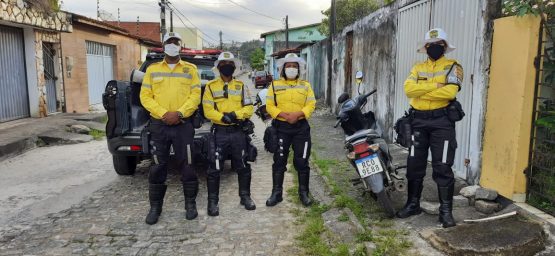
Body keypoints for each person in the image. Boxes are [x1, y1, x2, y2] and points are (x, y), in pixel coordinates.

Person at [396, 28, 463, 228]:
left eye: (439, 44)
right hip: (418, 122)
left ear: (444, 46)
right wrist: (436, 87)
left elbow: (450, 92)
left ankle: (445, 212)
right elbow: (408, 90)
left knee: (442, 166)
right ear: (425, 47)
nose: (434, 47)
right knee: (415, 164)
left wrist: (422, 91)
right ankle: (413, 204)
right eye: (431, 45)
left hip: (442, 122)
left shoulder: (453, 66)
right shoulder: (417, 67)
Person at [140, 32, 201, 224]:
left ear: (180, 46)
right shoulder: (152, 69)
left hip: (183, 125)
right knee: (158, 165)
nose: (172, 45)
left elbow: (195, 95)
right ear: (163, 45)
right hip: (160, 125)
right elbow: (145, 96)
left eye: (176, 42)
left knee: (188, 164)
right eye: (169, 42)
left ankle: (190, 205)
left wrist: (180, 113)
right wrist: (163, 113)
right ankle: (155, 208)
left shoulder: (190, 69)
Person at [202, 52, 256, 216]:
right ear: (218, 67)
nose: (227, 66)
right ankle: (213, 202)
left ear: (234, 66)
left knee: (243, 165)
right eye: (224, 63)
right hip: (219, 133)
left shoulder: (241, 86)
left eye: (230, 63)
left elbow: (248, 107)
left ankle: (245, 197)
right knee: (215, 167)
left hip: (238, 132)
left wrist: (235, 115)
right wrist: (222, 117)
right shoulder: (211, 87)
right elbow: (207, 110)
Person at [265, 53, 316, 207]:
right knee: (279, 161)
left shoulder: (306, 85)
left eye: (295, 66)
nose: (292, 68)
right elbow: (269, 105)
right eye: (289, 66)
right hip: (281, 128)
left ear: (299, 69)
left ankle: (304, 193)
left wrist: (298, 114)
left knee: (302, 161)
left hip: (301, 128)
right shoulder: (274, 85)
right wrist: (285, 116)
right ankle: (276, 193)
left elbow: (311, 104)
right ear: (283, 69)